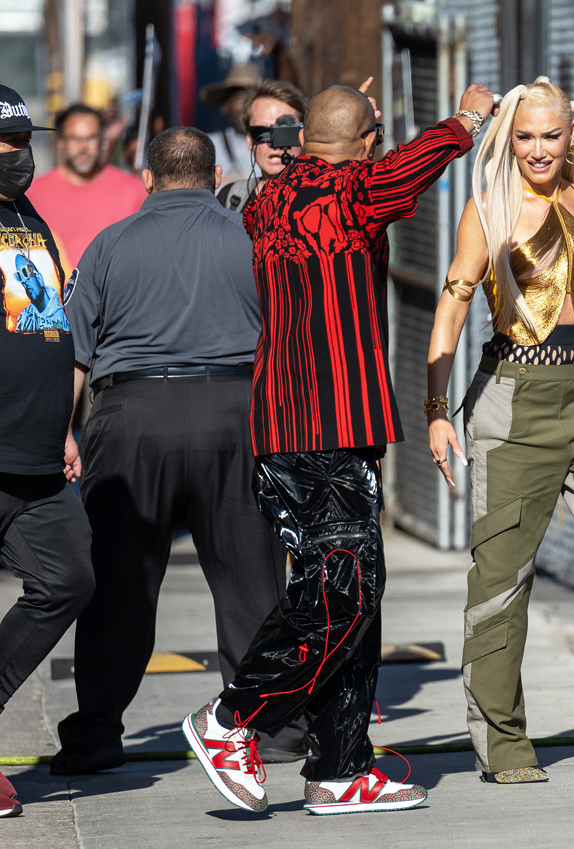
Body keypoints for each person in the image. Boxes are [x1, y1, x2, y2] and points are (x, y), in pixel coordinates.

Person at [181, 79, 499, 815]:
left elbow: (349, 165)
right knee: (341, 594)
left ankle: (341, 764)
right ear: (362, 147)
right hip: (320, 432)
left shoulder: (268, 201)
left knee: (353, 593)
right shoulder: (355, 192)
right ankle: (231, 718)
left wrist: (356, 133)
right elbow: (414, 162)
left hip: (297, 430)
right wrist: (470, 116)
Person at [425, 77, 574, 784]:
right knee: (502, 577)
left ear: (571, 136)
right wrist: (436, 412)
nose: (537, 149)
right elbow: (452, 308)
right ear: (511, 138)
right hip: (509, 400)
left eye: (550, 136)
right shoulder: (489, 209)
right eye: (524, 136)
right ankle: (503, 744)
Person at [49, 126, 299, 776]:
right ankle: (269, 729)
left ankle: (97, 733)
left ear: (148, 179)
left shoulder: (108, 245)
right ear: (216, 178)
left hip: (132, 421)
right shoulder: (252, 239)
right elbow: (286, 340)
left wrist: (60, 434)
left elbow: (73, 351)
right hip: (236, 416)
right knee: (253, 582)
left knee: (120, 583)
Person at [0, 84, 95, 818]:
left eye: (25, 143)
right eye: (6, 147)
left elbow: (43, 323)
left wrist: (63, 424)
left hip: (35, 450)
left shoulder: (26, 216)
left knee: (67, 577)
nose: (19, 158)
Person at [26, 104, 147, 270]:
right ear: (60, 141)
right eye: (75, 139)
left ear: (102, 139)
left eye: (91, 138)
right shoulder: (34, 194)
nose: (83, 147)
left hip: (117, 294)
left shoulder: (133, 189)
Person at [217, 79, 307, 214]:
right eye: (262, 133)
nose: (274, 145)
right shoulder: (230, 200)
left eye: (285, 133)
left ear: (303, 137)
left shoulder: (327, 200)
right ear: (249, 139)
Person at [199, 64, 263, 186]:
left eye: (251, 99)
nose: (246, 107)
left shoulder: (273, 147)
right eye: (240, 99)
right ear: (225, 106)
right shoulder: (206, 147)